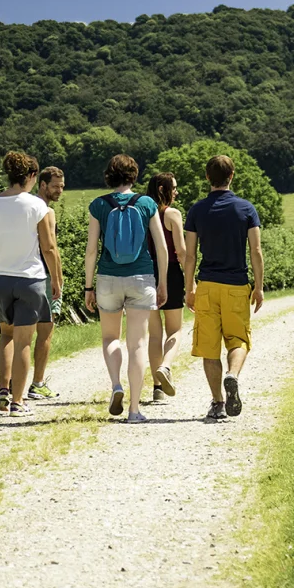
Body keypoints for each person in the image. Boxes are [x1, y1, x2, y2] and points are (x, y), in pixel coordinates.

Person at [85, 154, 168, 423]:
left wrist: (88, 287)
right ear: (134, 175)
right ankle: (134, 410)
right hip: (141, 277)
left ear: (109, 175)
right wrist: (162, 281)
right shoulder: (147, 203)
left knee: (110, 338)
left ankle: (116, 385)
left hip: (108, 278)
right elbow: (162, 248)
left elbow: (91, 250)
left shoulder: (99, 205)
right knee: (138, 344)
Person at [184, 154, 264, 421]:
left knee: (209, 348)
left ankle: (218, 403)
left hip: (207, 285)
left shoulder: (196, 210)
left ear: (208, 177)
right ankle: (233, 375)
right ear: (232, 176)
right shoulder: (246, 209)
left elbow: (190, 255)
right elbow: (256, 250)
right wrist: (259, 286)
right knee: (238, 340)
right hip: (237, 286)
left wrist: (189, 288)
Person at [0, 152, 63, 416]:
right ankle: (18, 402)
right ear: (33, 177)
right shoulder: (39, 207)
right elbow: (49, 247)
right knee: (25, 341)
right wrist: (56, 279)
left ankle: (2, 392)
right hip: (30, 280)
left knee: (6, 336)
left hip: (0, 279)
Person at [146, 172, 186, 402]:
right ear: (163, 189)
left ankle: (157, 388)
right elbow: (180, 251)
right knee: (175, 330)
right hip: (170, 273)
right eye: (174, 188)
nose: (177, 192)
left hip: (145, 273)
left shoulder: (143, 213)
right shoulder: (172, 214)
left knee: (154, 334)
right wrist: (190, 277)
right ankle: (166, 366)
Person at [28, 166, 66, 400]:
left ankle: (10, 384)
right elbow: (51, 249)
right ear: (42, 185)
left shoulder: (28, 207)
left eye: (62, 186)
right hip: (43, 277)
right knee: (45, 331)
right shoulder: (44, 211)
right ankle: (37, 383)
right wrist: (57, 279)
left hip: (21, 276)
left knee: (16, 333)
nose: (60, 191)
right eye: (55, 186)